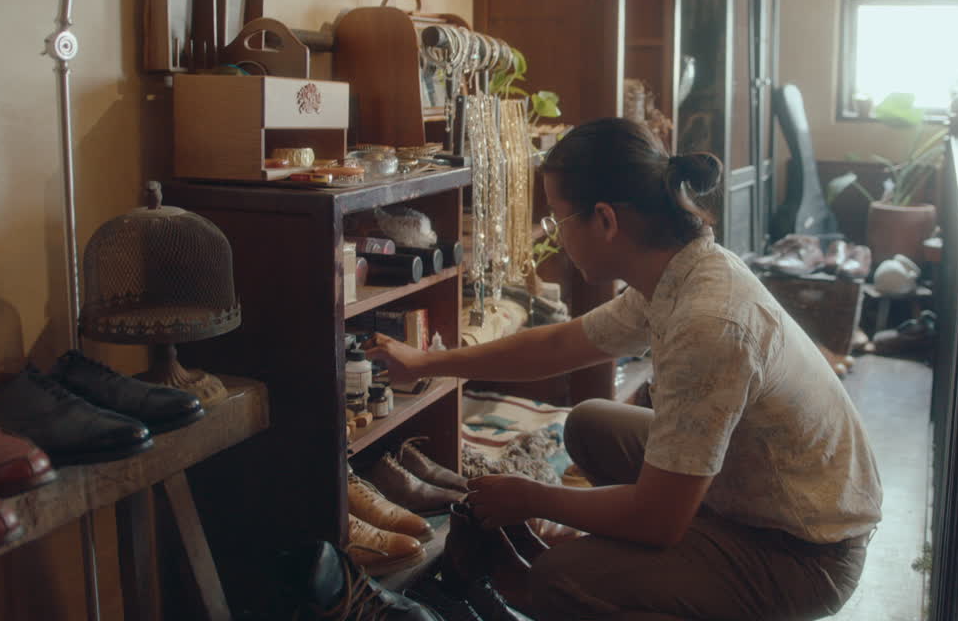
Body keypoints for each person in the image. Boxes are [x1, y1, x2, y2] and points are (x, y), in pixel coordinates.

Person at [367, 118, 882, 620]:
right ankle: (669, 559)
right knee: (590, 423)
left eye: (560, 219)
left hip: (802, 554)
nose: (555, 236)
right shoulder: (677, 271)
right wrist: (428, 361)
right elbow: (558, 345)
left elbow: (658, 519)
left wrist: (533, 500)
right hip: (752, 494)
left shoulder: (708, 322)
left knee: (557, 580)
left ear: (606, 220)